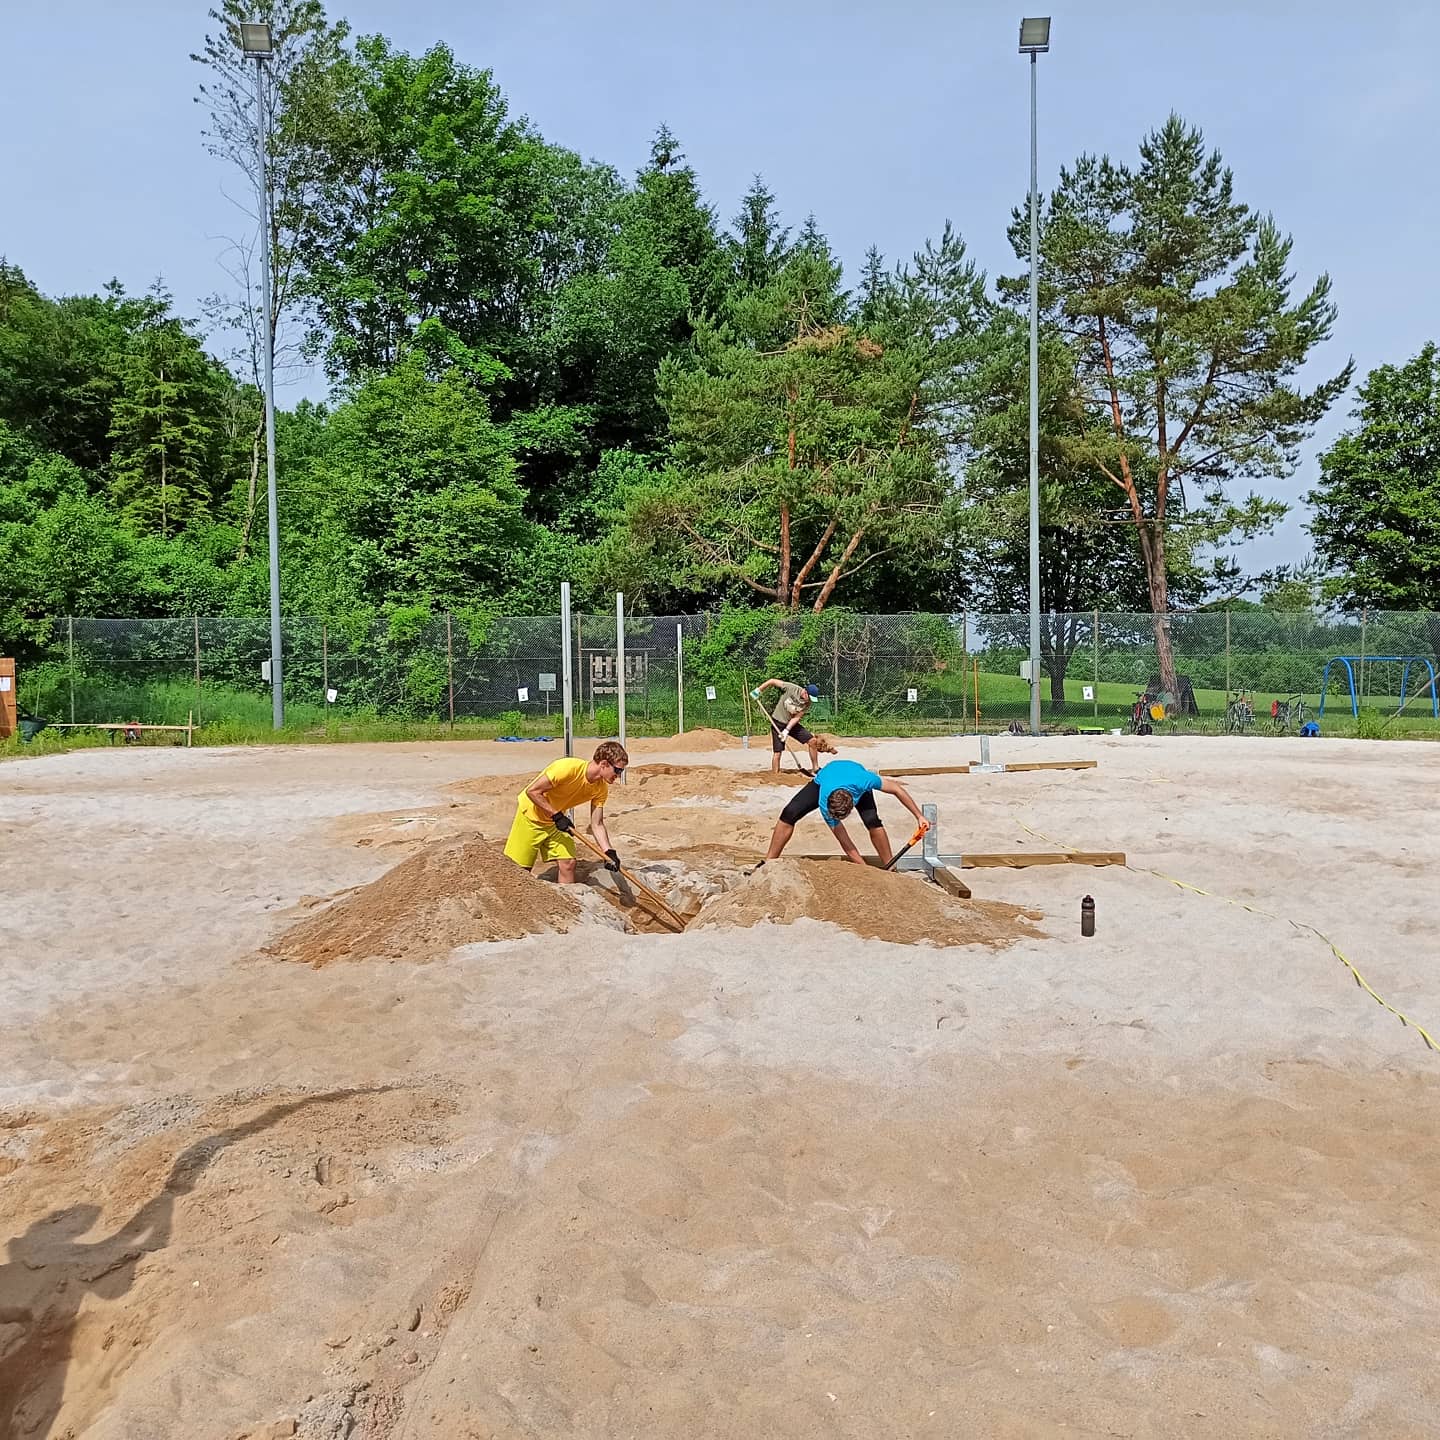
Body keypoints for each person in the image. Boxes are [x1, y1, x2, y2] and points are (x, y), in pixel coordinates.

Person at [760, 757, 927, 868]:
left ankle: (890, 865)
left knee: (872, 821)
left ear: (852, 805)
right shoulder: (825, 801)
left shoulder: (865, 781)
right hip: (826, 776)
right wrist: (863, 867)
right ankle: (769, 861)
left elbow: (897, 790)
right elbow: (844, 841)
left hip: (854, 773)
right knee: (789, 813)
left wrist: (919, 816)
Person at [503, 741, 629, 884]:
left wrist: (608, 851)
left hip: (556, 823)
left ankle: (568, 902)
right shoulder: (567, 768)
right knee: (520, 871)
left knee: (568, 863)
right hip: (531, 817)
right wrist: (556, 815)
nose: (618, 776)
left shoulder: (601, 789)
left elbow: (597, 824)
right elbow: (532, 791)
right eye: (618, 770)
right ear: (604, 764)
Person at [752, 677, 822, 774]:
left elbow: (796, 717)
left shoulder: (807, 703)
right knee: (778, 752)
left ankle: (815, 768)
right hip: (777, 722)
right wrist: (758, 690)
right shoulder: (791, 688)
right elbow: (772, 681)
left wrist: (786, 730)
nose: (809, 701)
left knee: (812, 741)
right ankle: (775, 774)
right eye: (809, 698)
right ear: (805, 692)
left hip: (791, 724)